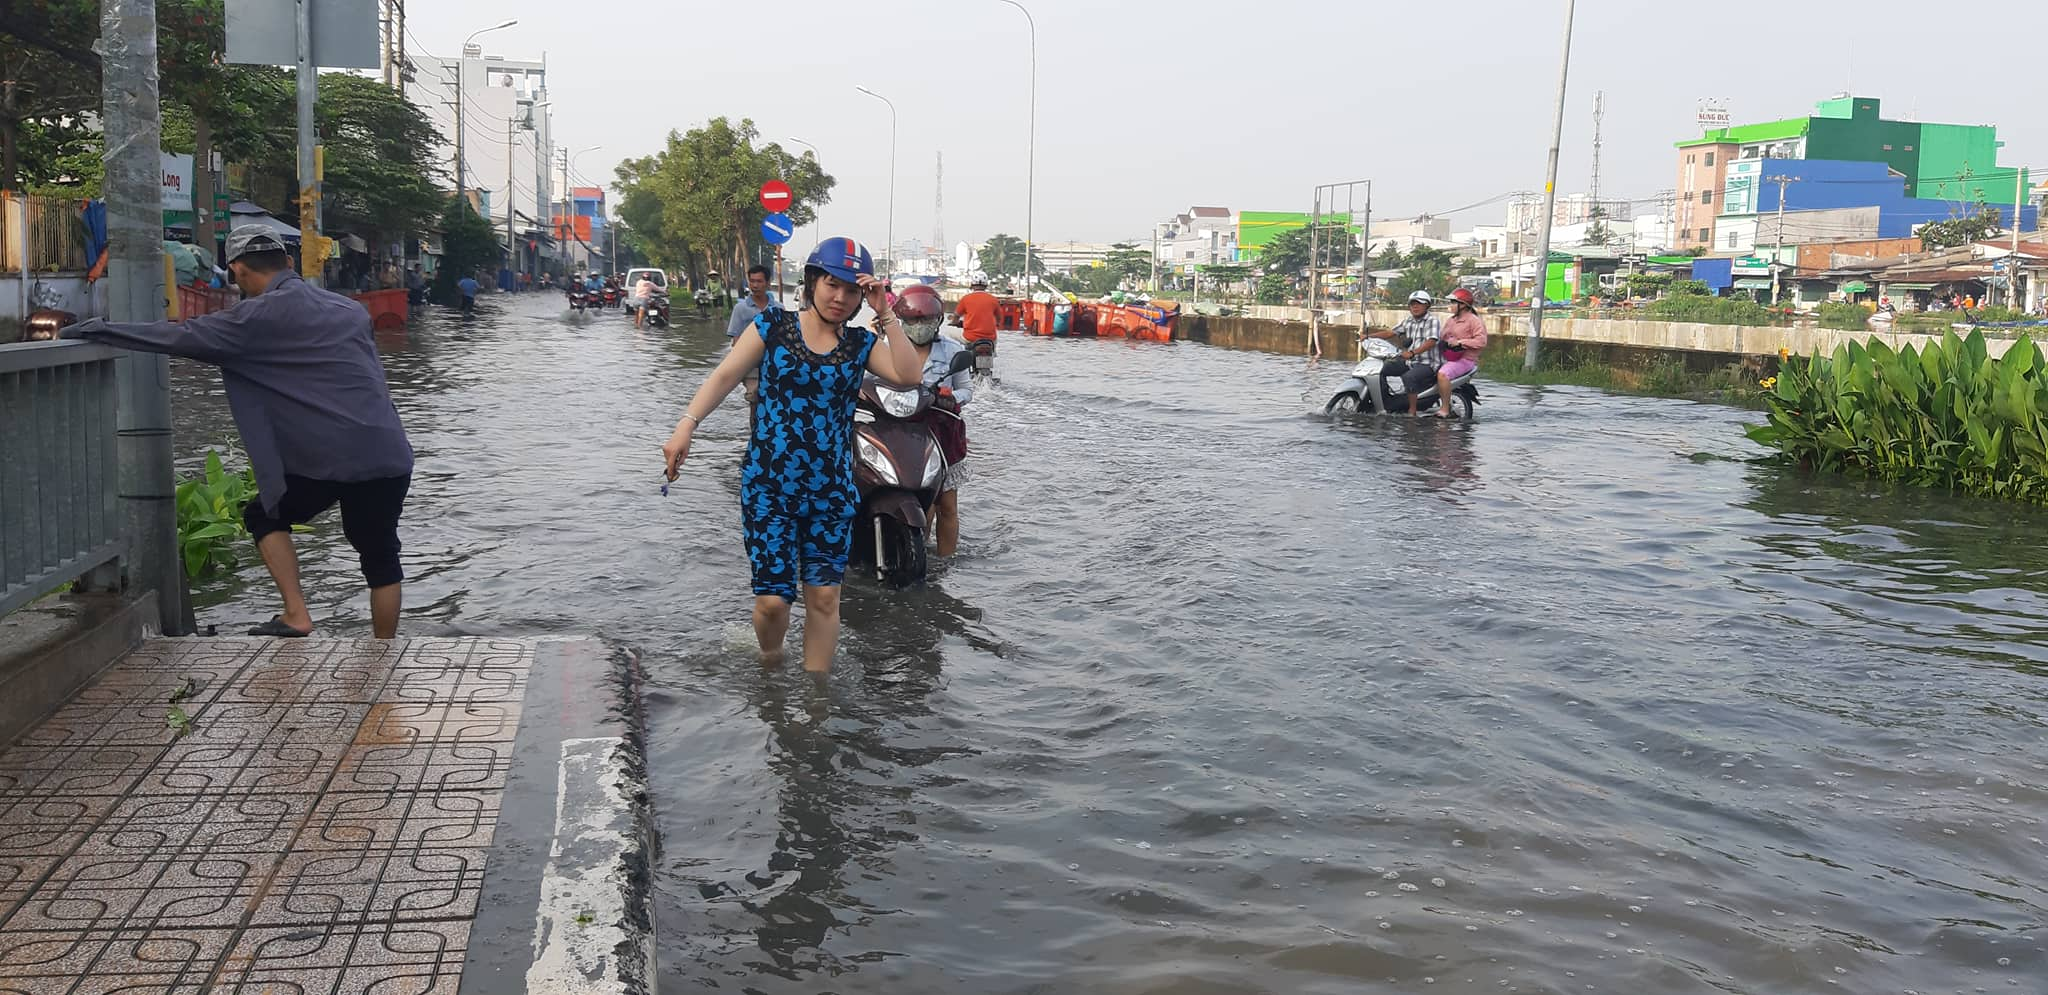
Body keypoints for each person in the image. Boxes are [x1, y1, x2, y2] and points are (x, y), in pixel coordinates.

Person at [62, 225, 414, 637]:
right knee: (381, 557)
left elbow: (173, 336)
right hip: (388, 452)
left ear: (237, 271)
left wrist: (96, 329)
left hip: (326, 459)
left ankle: (297, 615)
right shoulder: (350, 310)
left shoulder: (250, 319)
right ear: (287, 262)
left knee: (264, 516)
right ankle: (385, 652)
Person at [661, 237, 923, 674]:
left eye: (851, 290)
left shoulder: (860, 344)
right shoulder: (773, 327)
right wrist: (686, 425)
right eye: (831, 285)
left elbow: (908, 374)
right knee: (772, 600)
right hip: (769, 487)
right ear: (813, 283)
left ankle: (816, 700)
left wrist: (886, 312)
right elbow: (725, 375)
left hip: (831, 490)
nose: (840, 297)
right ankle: (770, 661)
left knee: (824, 596)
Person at [893, 284, 973, 556]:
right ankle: (916, 555)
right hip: (902, 432)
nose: (919, 326)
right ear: (901, 321)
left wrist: (951, 397)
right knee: (918, 504)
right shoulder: (887, 348)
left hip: (943, 434)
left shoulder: (952, 351)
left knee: (947, 504)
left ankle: (946, 562)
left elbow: (967, 390)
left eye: (926, 320)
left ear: (938, 320)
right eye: (913, 320)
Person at [1366, 290, 1442, 416]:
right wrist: (1368, 337)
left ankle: (1412, 411)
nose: (1415, 307)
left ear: (1427, 305)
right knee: (1380, 369)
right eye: (1412, 304)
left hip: (1427, 363)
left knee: (1408, 377)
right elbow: (1391, 333)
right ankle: (1386, 401)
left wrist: (1412, 352)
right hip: (1410, 361)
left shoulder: (1432, 321)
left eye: (1419, 304)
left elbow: (1432, 341)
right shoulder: (1408, 321)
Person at [1431, 288, 1488, 418]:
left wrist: (1461, 342)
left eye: (1453, 302)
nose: (1450, 305)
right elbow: (1442, 336)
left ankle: (1445, 409)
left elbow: (1481, 341)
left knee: (1443, 375)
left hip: (1465, 360)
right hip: (1449, 357)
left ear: (1462, 305)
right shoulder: (1451, 320)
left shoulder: (1474, 321)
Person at [727, 265, 780, 402]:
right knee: (754, 396)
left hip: (773, 365)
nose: (755, 285)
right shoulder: (741, 308)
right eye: (752, 281)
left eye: (759, 281)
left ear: (768, 283)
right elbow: (736, 340)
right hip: (751, 366)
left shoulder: (778, 309)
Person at [953, 277, 1000, 375]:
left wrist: (954, 323)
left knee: (948, 333)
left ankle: (954, 359)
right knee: (995, 339)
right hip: (990, 339)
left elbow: (956, 315)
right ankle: (992, 354)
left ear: (972, 285)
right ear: (986, 285)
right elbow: (999, 319)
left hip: (970, 337)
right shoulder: (993, 299)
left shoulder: (966, 298)